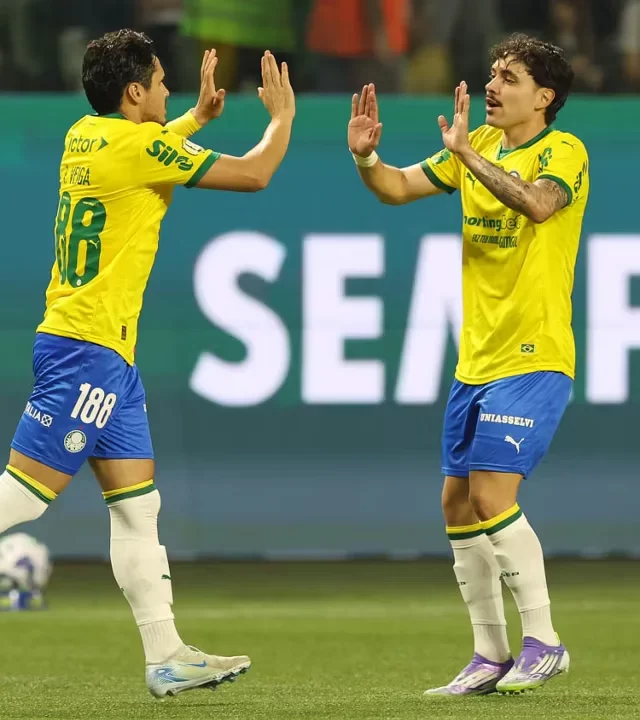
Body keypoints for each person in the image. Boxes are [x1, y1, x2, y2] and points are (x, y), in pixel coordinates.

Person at [0, 30, 294, 698]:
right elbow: (254, 174)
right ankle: (166, 655)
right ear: (134, 92)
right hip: (87, 349)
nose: (168, 91)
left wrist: (195, 118)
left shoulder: (84, 135)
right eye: (161, 82)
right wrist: (281, 119)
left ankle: (167, 656)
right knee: (23, 496)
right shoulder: (137, 148)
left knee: (138, 509)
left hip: (106, 352)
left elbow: (147, 149)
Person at [348, 33, 588, 696]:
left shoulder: (562, 150)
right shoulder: (477, 144)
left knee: (491, 495)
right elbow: (397, 187)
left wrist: (465, 156)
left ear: (544, 97)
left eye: (509, 77)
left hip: (534, 354)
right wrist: (367, 158)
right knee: (457, 503)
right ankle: (489, 654)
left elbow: (538, 203)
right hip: (475, 360)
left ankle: (545, 641)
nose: (492, 85)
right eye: (492, 73)